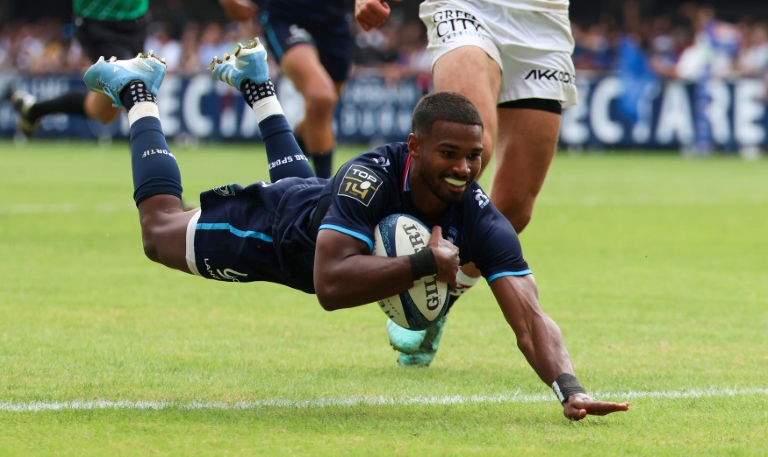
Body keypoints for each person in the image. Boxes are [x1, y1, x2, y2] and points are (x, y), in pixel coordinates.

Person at [82, 38, 629, 421]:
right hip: (273, 236)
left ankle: (257, 88)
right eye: (449, 154)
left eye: (474, 156)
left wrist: (569, 388)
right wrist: (422, 264)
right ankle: (138, 92)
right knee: (158, 232)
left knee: (307, 189)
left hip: (318, 211)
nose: (464, 168)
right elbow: (330, 285)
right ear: (414, 148)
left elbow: (531, 318)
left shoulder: (480, 216)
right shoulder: (369, 175)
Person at [354, 0, 715, 367]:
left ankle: (441, 299)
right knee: (474, 147)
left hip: (542, 18)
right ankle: (410, 271)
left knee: (514, 208)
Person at [212, 0, 356, 178]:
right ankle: (324, 195)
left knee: (320, 112)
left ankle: (292, 164)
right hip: (286, 14)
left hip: (333, 18)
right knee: (322, 97)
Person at [12, 0, 151, 139]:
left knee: (103, 112)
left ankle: (35, 110)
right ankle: (153, 160)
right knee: (133, 88)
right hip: (99, 23)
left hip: (137, 19)